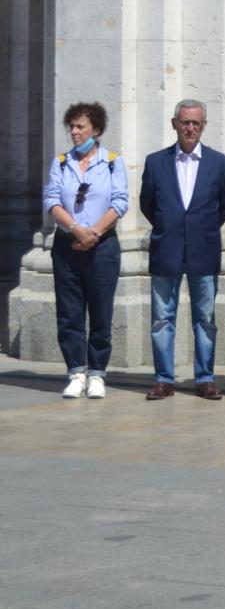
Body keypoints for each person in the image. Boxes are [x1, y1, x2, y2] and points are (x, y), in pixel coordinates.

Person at [139, 99, 225, 401]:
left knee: (205, 319)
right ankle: (164, 379)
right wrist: (170, 227)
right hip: (166, 249)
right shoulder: (156, 161)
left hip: (203, 250)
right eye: (185, 122)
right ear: (174, 124)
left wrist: (199, 229)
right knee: (161, 319)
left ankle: (204, 378)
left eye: (196, 123)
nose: (190, 128)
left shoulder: (219, 163)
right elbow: (147, 203)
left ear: (204, 126)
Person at [43, 102, 128, 399]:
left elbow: (120, 202)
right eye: (72, 126)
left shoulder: (113, 162)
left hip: (102, 246)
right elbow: (52, 199)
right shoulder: (62, 161)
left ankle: (97, 373)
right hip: (67, 245)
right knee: (69, 312)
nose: (74, 131)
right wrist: (75, 229)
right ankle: (76, 371)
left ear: (97, 129)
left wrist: (94, 233)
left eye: (81, 126)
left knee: (101, 312)